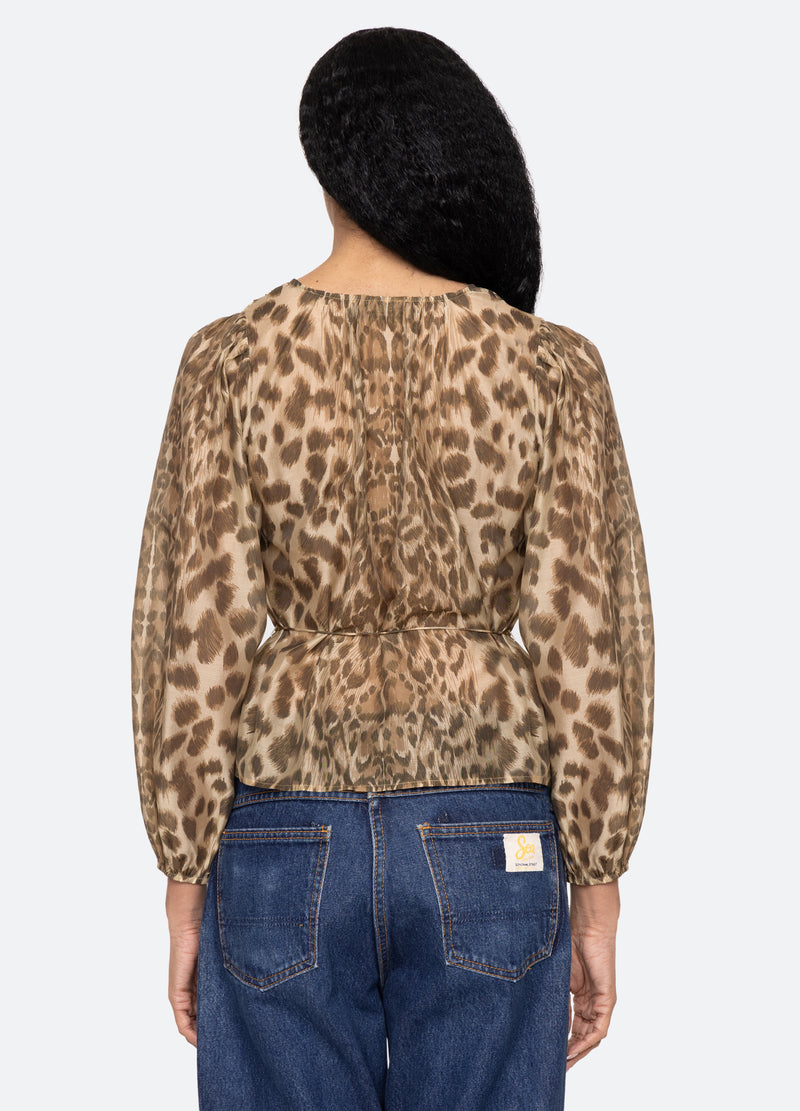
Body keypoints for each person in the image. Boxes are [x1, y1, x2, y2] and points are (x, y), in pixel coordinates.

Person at [130, 26, 655, 1111]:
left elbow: (192, 634)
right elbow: (590, 636)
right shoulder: (549, 366)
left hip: (281, 831)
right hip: (491, 831)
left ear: (328, 170)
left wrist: (183, 876)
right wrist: (598, 882)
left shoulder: (230, 360)